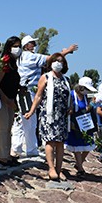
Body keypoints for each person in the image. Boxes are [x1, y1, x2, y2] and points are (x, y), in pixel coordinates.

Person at [17, 35, 77, 158]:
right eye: (32, 43)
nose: (34, 45)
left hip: (23, 90)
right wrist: (67, 51)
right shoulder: (31, 56)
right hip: (29, 91)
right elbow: (52, 59)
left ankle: (17, 147)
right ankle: (31, 149)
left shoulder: (21, 57)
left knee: (20, 121)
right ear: (26, 45)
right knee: (30, 122)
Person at [24, 53, 71, 181]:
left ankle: (59, 169)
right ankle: (51, 168)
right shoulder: (45, 77)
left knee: (60, 143)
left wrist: (70, 107)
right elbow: (38, 96)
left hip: (62, 116)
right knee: (50, 141)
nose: (58, 63)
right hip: (49, 115)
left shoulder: (66, 80)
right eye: (55, 61)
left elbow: (68, 96)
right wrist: (31, 111)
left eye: (61, 61)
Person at [0, 36, 22, 167]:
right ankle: (1, 156)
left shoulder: (14, 63)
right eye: (15, 46)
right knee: (2, 127)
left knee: (8, 128)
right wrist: (5, 99)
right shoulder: (4, 61)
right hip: (2, 99)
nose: (18, 49)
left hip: (11, 99)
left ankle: (7, 154)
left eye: (19, 46)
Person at [65, 76, 98, 175]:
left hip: (85, 124)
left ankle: (79, 164)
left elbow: (89, 109)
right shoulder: (71, 95)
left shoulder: (86, 97)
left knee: (89, 145)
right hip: (74, 125)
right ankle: (80, 168)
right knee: (76, 147)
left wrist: (91, 105)